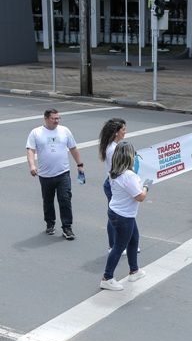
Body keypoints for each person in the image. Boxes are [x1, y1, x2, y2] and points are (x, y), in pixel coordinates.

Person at [100, 142, 151, 291]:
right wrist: (147, 187)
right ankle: (107, 277)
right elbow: (139, 197)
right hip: (124, 216)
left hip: (118, 212)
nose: (136, 158)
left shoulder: (115, 172)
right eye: (134, 155)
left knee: (134, 239)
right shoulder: (128, 176)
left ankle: (134, 270)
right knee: (119, 247)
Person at [26, 108, 84, 240]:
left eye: (58, 118)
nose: (56, 121)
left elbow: (73, 148)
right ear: (46, 119)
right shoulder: (36, 133)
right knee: (48, 201)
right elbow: (31, 151)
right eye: (54, 118)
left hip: (63, 173)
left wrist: (80, 165)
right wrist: (32, 165)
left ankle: (67, 227)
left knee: (65, 200)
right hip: (45, 175)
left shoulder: (65, 131)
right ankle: (50, 223)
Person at [98, 118, 129, 255]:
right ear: (116, 132)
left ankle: (125, 244)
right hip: (113, 185)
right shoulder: (113, 149)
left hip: (115, 183)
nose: (125, 132)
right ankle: (113, 245)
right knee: (115, 216)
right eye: (123, 129)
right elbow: (115, 170)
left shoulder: (115, 146)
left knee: (121, 215)